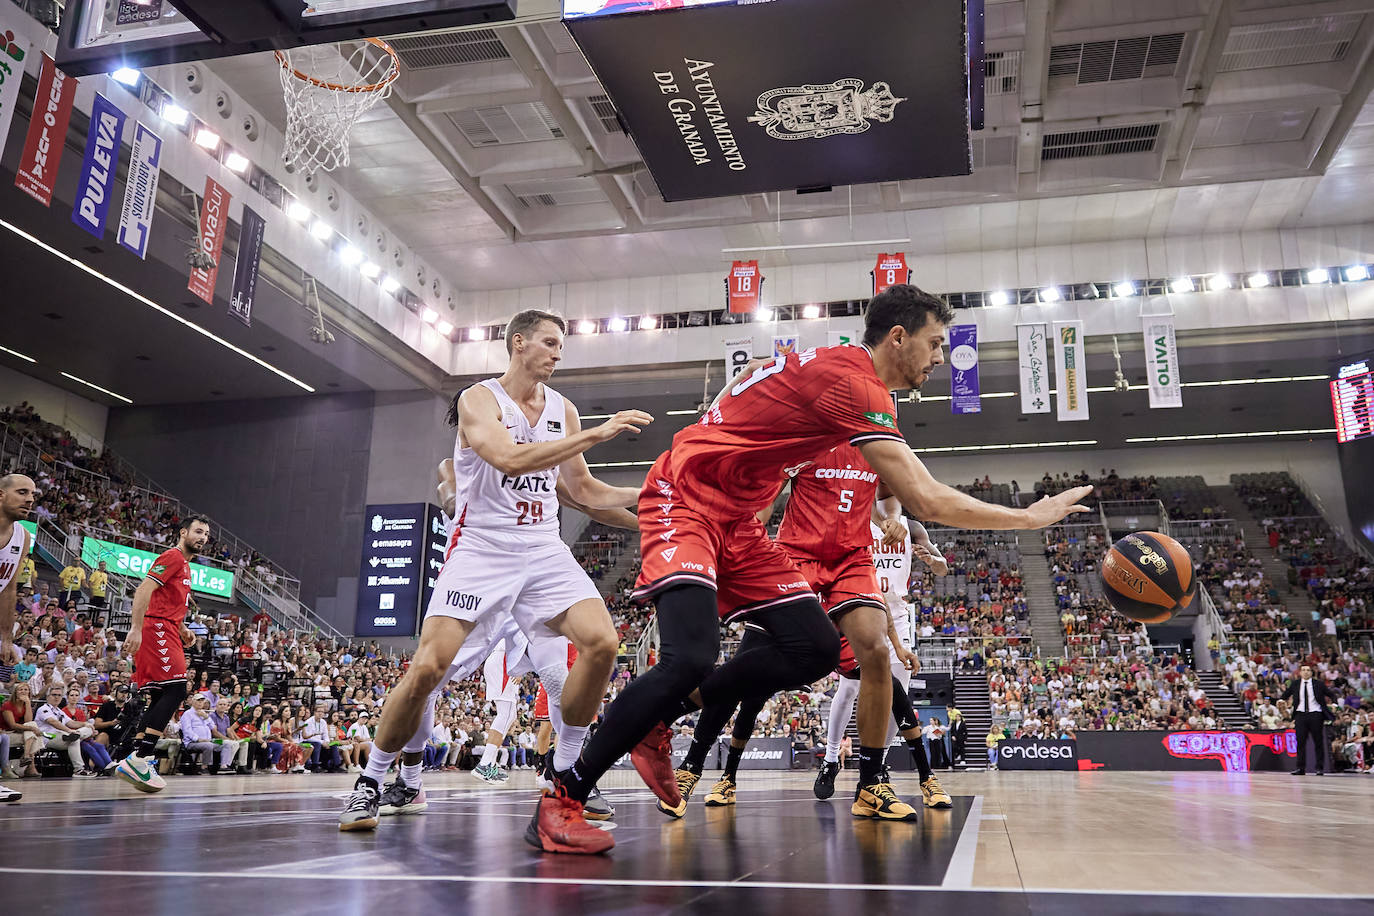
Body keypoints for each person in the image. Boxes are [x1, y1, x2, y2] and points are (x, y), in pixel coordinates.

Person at [530, 285, 1092, 854]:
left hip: (740, 520)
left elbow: (754, 394)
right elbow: (926, 499)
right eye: (935, 344)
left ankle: (658, 719)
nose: (941, 357)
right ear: (897, 338)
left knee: (817, 649)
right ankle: (563, 796)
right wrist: (1026, 517)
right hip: (686, 500)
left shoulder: (839, 372)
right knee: (690, 657)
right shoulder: (854, 383)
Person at [338, 310, 649, 838]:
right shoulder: (478, 399)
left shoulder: (563, 409)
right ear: (518, 342)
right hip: (482, 549)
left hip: (543, 549)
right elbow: (508, 459)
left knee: (602, 643)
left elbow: (587, 494)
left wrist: (663, 502)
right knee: (428, 670)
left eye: (561, 345)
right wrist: (596, 436)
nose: (557, 353)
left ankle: (567, 770)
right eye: (549, 343)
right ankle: (373, 779)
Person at [113, 516, 210, 794]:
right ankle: (141, 758)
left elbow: (164, 600)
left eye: (206, 534)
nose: (202, 537)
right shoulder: (174, 556)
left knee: (159, 695)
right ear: (183, 533)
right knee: (178, 689)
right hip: (155, 627)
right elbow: (144, 589)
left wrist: (181, 627)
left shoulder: (186, 566)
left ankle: (138, 757)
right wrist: (135, 628)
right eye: (198, 532)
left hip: (166, 627)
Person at [0, 473, 36, 800]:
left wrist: (6, 638)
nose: (30, 499)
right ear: (0, 495)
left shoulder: (22, 536)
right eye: (22, 492)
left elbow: (9, 587)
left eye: (33, 495)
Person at [1278, 664, 1336, 776]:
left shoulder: (1318, 684)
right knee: (1300, 742)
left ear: (1311, 673)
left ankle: (1319, 768)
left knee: (1318, 742)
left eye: (1308, 670)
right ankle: (1300, 768)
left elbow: (1331, 694)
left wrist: (1334, 704)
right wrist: (1280, 700)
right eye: (1303, 670)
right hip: (1300, 715)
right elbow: (1285, 694)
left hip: (1316, 714)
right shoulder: (1295, 684)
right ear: (1300, 672)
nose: (1305, 672)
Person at [35, 684, 96, 776]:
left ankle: (76, 736)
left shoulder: (59, 711)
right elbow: (53, 722)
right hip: (49, 737)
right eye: (54, 695)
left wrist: (85, 724)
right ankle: (79, 770)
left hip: (63, 735)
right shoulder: (43, 709)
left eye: (59, 695)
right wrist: (69, 731)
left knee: (87, 729)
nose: (57, 697)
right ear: (48, 696)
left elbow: (71, 723)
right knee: (74, 739)